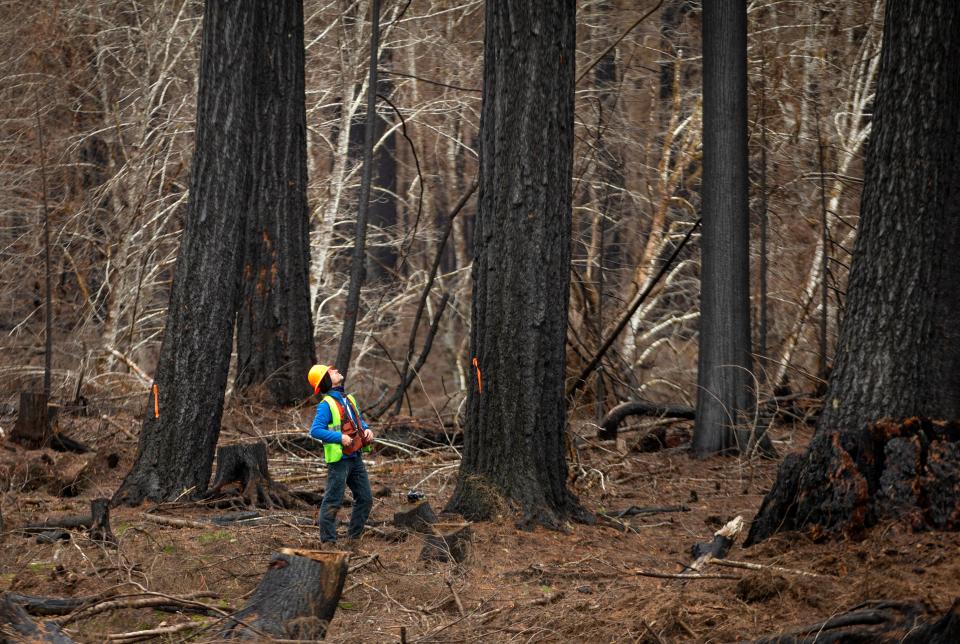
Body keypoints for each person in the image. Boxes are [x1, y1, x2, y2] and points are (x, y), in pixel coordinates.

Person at [307, 364, 374, 548]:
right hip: (339, 462)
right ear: (326, 381)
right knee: (333, 501)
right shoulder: (325, 405)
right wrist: (339, 437)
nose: (335, 370)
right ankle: (328, 543)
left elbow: (358, 421)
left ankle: (353, 541)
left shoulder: (349, 399)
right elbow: (315, 430)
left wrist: (367, 430)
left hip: (355, 457)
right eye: (330, 371)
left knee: (366, 498)